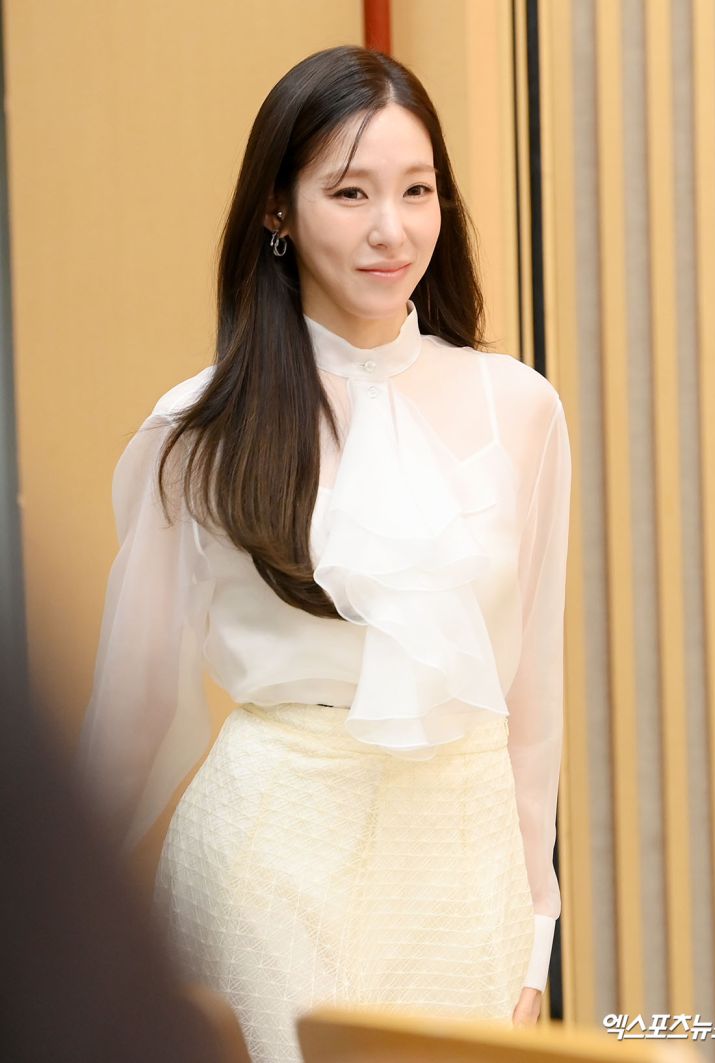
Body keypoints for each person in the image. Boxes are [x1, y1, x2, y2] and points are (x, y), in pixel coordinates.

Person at [76, 44, 572, 1063]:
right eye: (350, 192)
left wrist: (536, 919)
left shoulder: (520, 409)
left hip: (465, 867)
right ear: (279, 210)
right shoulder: (195, 429)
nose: (393, 228)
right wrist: (51, 928)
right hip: (270, 859)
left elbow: (532, 694)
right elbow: (135, 710)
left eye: (417, 190)